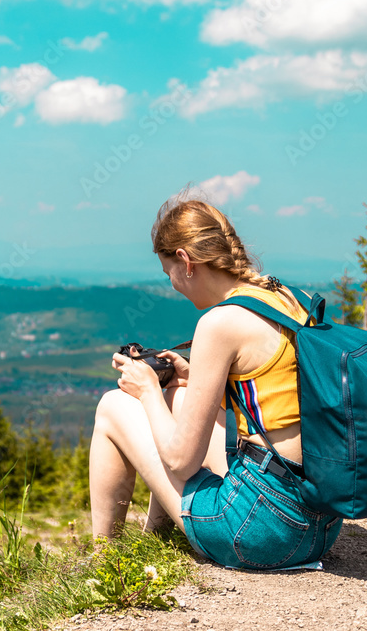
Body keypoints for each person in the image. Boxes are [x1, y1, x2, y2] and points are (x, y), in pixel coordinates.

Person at [88, 188, 343, 570]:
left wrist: (146, 392)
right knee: (179, 394)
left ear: (185, 261)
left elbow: (180, 462)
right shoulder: (288, 297)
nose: (172, 283)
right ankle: (154, 540)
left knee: (113, 406)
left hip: (261, 531)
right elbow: (282, 397)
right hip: (319, 524)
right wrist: (191, 379)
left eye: (168, 272)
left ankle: (103, 560)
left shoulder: (219, 323)